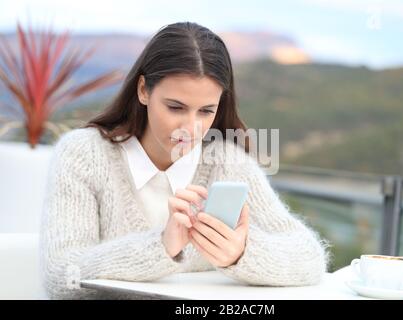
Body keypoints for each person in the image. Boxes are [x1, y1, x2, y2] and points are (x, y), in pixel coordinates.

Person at [39, 21, 330, 300]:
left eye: (206, 111)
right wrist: (162, 248)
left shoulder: (227, 161)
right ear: (143, 90)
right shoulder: (84, 154)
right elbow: (61, 276)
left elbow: (309, 258)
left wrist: (242, 253)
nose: (191, 128)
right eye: (175, 107)